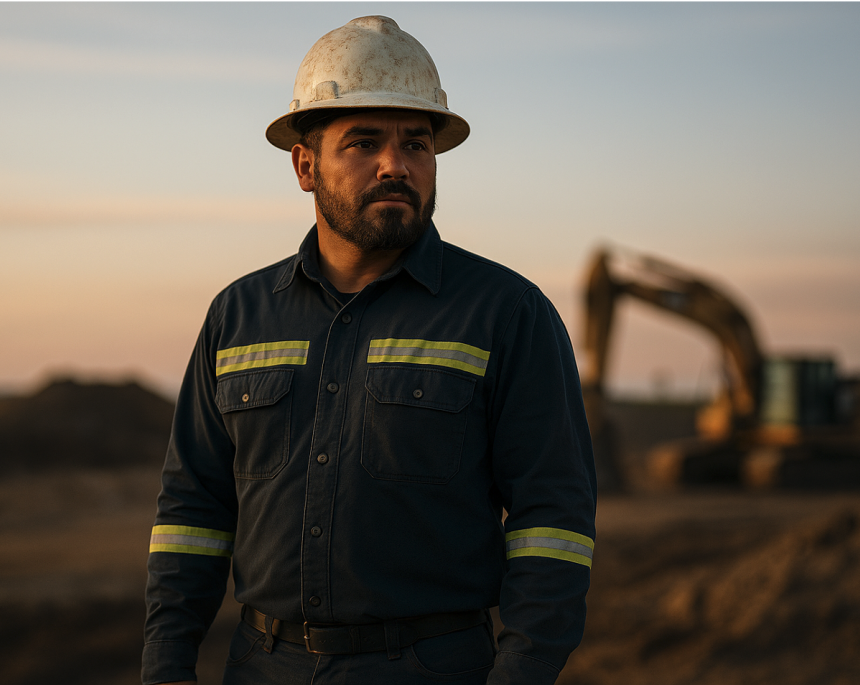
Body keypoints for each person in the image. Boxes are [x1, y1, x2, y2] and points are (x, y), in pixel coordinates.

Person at [143, 16, 596, 685]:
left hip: (433, 666)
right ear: (305, 165)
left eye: (416, 143)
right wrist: (166, 666)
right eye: (363, 142)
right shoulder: (238, 316)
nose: (396, 164)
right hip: (263, 666)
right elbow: (192, 510)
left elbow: (553, 520)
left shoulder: (506, 313)